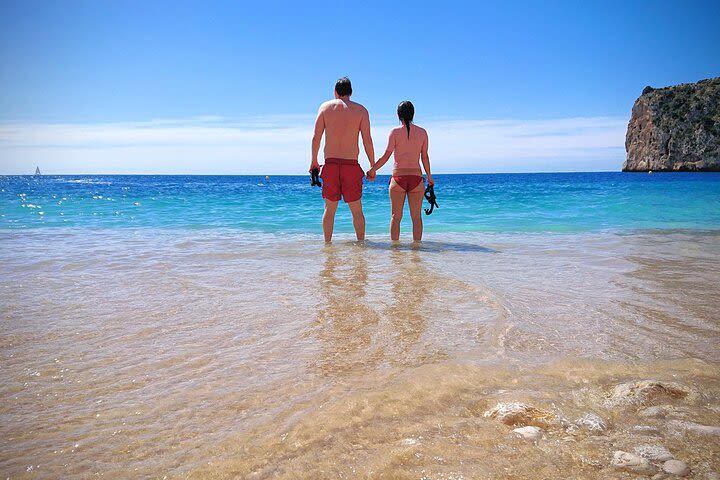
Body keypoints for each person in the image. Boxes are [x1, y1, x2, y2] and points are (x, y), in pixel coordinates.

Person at [310, 77, 375, 242]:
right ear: (351, 92)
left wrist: (314, 161)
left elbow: (316, 137)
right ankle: (361, 245)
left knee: (329, 209)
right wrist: (373, 165)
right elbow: (367, 140)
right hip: (351, 165)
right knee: (357, 210)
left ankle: (327, 245)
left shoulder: (325, 107)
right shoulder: (361, 110)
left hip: (330, 164)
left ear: (335, 92)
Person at [366, 101, 434, 241]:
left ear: (398, 115)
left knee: (395, 217)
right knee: (416, 218)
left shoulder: (394, 132)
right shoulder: (422, 133)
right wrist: (429, 177)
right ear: (413, 114)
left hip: (398, 179)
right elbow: (425, 157)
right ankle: (417, 251)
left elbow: (386, 156)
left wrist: (373, 169)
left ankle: (395, 252)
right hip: (416, 179)